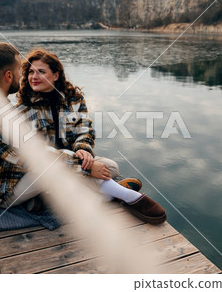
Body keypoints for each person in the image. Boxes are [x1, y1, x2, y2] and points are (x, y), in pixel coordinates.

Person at [16, 48, 166, 224]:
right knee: (89, 171)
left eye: (41, 71)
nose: (34, 76)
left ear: (56, 75)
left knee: (111, 167)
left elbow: (84, 129)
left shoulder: (73, 98)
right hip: (43, 167)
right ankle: (126, 195)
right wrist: (81, 164)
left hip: (70, 162)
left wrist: (83, 149)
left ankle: (50, 197)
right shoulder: (24, 108)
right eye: (31, 72)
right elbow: (37, 153)